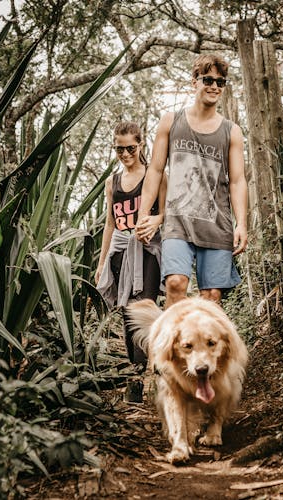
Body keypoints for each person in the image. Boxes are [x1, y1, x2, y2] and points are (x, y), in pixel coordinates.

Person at [136, 54, 248, 308]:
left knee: (212, 298)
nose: (214, 86)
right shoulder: (171, 121)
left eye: (221, 82)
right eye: (207, 79)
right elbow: (155, 170)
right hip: (178, 222)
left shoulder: (231, 131)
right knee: (175, 284)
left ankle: (205, 348)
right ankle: (171, 347)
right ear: (194, 82)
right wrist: (144, 214)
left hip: (217, 225)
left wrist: (241, 224)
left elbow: (237, 181)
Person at [95, 121, 167, 402]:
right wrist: (102, 263)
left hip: (148, 251)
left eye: (130, 148)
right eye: (119, 149)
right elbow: (110, 225)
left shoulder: (155, 175)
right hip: (120, 251)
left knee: (145, 310)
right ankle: (136, 379)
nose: (125, 154)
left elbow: (167, 214)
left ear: (141, 145)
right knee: (127, 314)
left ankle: (156, 372)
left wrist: (155, 224)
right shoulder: (111, 183)